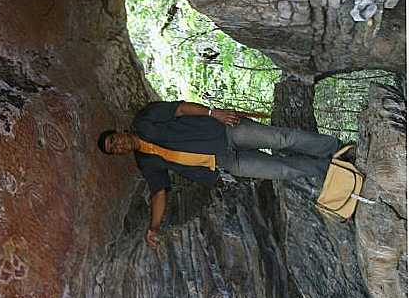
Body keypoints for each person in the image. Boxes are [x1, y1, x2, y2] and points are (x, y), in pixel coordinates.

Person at [98, 101, 341, 248]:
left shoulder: (144, 120)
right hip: (224, 164)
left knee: (281, 139)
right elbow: (159, 191)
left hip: (223, 132)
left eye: (114, 140)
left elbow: (180, 109)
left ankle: (337, 149)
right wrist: (154, 227)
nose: (118, 146)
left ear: (119, 132)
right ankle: (333, 170)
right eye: (114, 150)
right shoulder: (146, 161)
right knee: (282, 170)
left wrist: (214, 113)